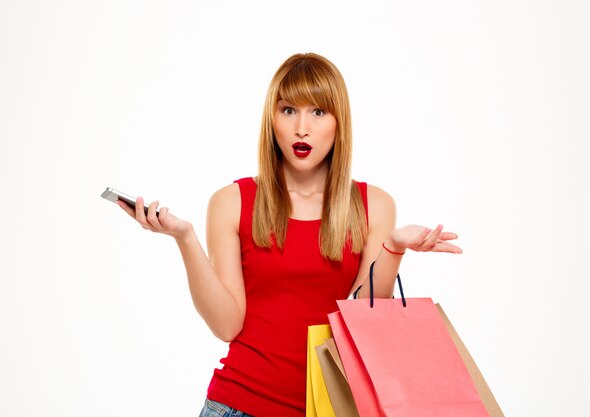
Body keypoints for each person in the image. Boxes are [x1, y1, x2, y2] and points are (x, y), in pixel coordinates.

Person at [117, 52, 462, 417]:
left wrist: (392, 248)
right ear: (272, 120)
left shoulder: (372, 205)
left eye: (318, 112)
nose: (302, 128)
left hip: (330, 409)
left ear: (339, 122)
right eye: (288, 111)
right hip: (239, 405)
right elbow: (226, 324)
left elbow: (362, 326)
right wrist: (185, 238)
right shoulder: (231, 202)